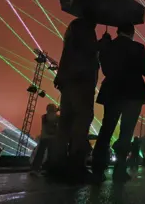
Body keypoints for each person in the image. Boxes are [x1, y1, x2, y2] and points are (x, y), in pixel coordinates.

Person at [92, 24, 145, 183]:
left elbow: (105, 69)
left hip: (112, 91)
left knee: (106, 129)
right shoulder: (138, 47)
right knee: (127, 132)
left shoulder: (109, 46)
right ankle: (120, 170)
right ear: (132, 33)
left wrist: (105, 45)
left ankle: (97, 169)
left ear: (117, 31)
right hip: (133, 93)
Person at [49, 18, 99, 182]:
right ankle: (76, 166)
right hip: (82, 82)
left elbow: (67, 56)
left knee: (65, 123)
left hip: (68, 82)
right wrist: (101, 44)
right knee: (81, 121)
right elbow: (89, 53)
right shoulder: (86, 30)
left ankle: (56, 165)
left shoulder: (72, 32)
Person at [31, 104, 59, 175]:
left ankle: (38, 169)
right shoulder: (47, 117)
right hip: (48, 137)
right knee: (43, 153)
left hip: (48, 137)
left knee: (45, 153)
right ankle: (39, 169)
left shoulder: (47, 117)